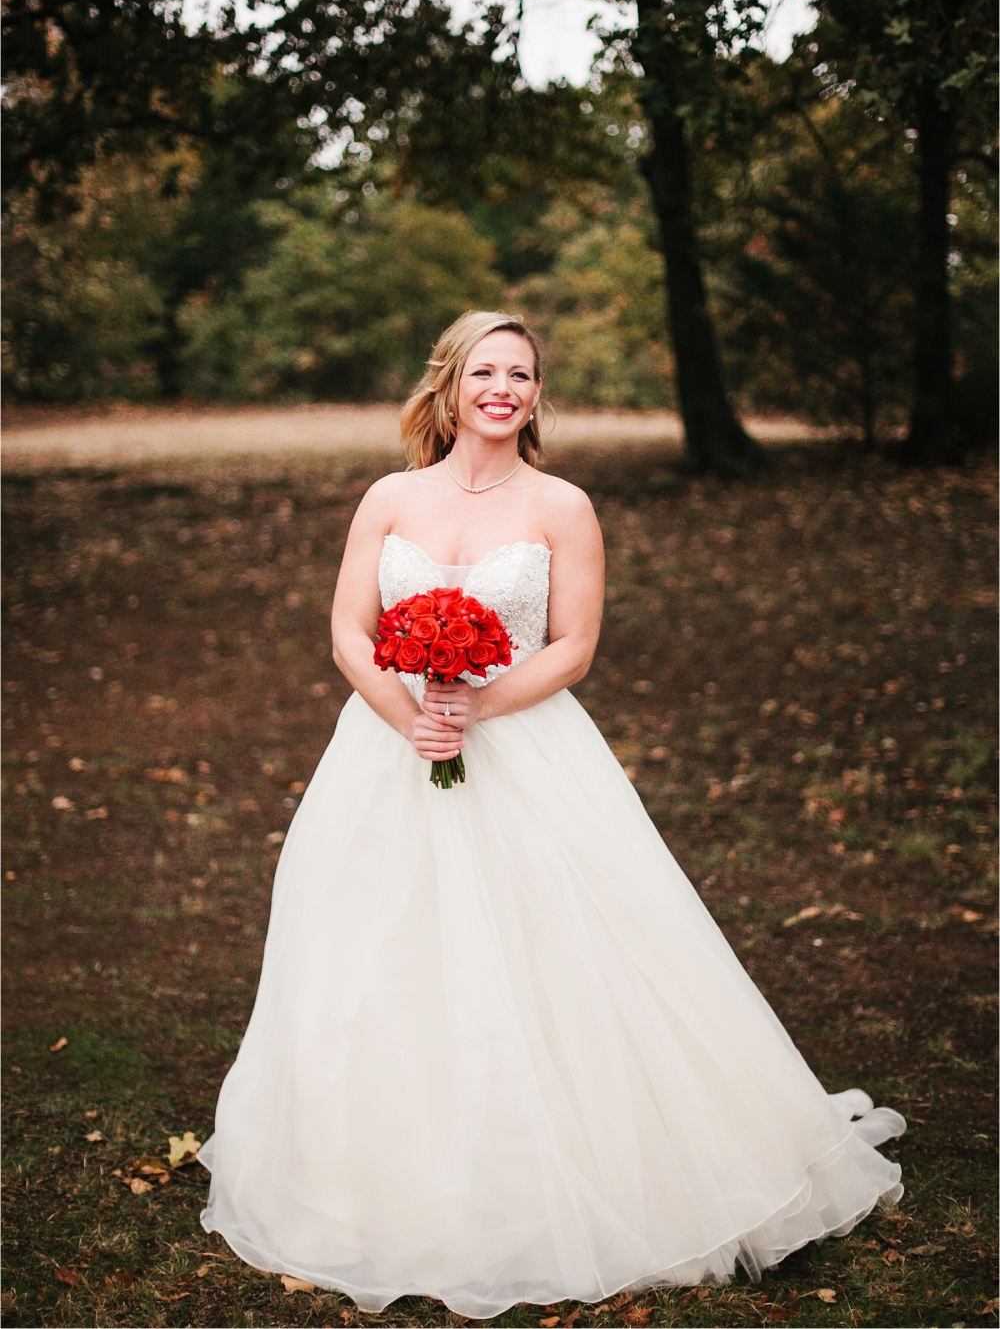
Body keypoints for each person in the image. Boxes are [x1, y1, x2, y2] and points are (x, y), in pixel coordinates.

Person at [199, 310, 905, 1320]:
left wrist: (476, 705)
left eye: (519, 374)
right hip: (389, 748)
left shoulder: (562, 505)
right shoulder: (389, 496)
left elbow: (571, 647)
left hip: (524, 742)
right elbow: (347, 629)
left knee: (555, 949)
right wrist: (411, 717)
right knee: (373, 948)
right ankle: (385, 1171)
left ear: (536, 394)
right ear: (448, 387)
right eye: (483, 370)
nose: (501, 388)